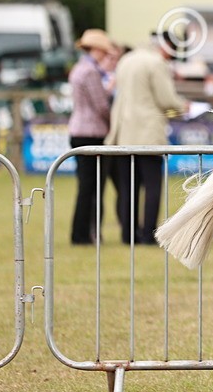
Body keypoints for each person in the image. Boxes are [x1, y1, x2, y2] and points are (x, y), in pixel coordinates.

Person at [106, 31, 189, 245]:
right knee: (152, 186)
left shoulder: (126, 59)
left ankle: (128, 234)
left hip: (124, 131)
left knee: (127, 187)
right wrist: (183, 106)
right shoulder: (156, 63)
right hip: (148, 132)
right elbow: (166, 98)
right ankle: (148, 234)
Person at [68, 29, 120, 245]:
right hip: (92, 133)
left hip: (79, 131)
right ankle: (84, 233)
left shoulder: (80, 69)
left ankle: (82, 232)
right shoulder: (90, 71)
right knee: (91, 189)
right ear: (98, 49)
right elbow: (100, 105)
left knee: (86, 187)